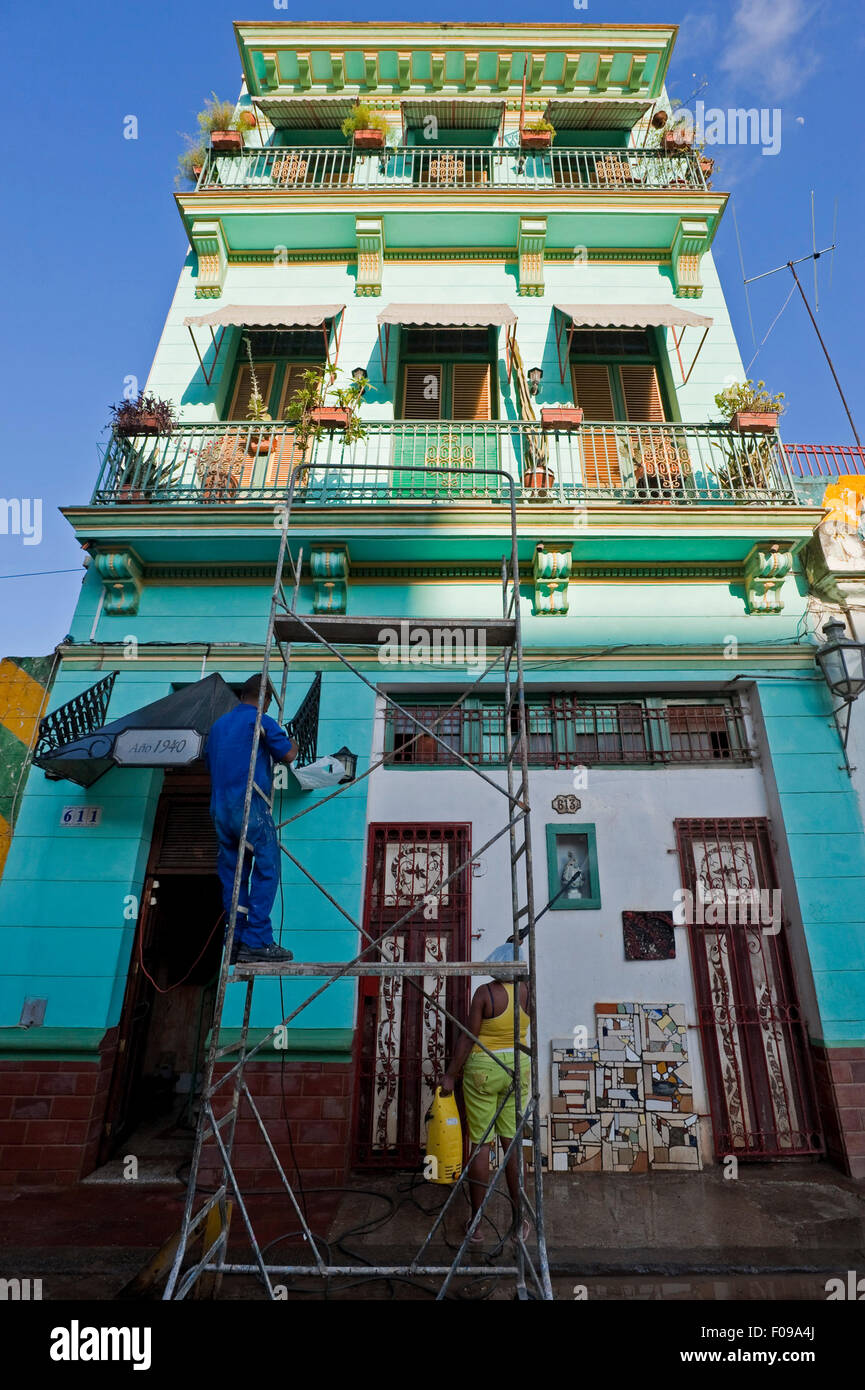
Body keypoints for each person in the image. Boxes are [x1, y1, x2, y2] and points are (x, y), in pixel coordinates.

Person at [205, 673, 298, 963]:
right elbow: (288, 755)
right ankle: (257, 940)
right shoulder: (261, 719)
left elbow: (211, 762)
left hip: (220, 808)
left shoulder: (218, 727)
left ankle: (235, 940)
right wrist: (291, 739)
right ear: (267, 699)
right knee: (267, 868)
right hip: (250, 806)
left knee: (234, 876)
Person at [439, 963, 531, 1247]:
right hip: (518, 1067)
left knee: (481, 1145)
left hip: (483, 1069)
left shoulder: (484, 993)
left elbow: (469, 1037)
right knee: (511, 1143)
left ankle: (476, 1224)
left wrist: (451, 1075)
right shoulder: (528, 991)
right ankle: (519, 1223)